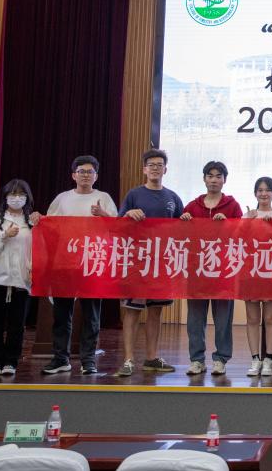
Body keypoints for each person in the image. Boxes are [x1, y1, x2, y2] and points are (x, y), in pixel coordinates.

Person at [42, 155, 118, 376]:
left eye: (90, 172)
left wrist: (102, 214)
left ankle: (88, 360)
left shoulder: (103, 197)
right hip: (64, 263)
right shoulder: (62, 198)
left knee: (91, 315)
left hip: (92, 263)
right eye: (81, 171)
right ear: (73, 175)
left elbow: (117, 227)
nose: (86, 175)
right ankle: (60, 359)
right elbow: (49, 226)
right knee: (61, 314)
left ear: (96, 176)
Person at [114, 149, 184, 378]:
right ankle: (128, 360)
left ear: (166, 169)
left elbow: (184, 229)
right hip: (137, 262)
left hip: (162, 263)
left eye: (159, 165)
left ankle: (152, 358)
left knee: (155, 312)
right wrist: (128, 214)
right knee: (132, 311)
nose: (155, 168)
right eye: (151, 164)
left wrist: (186, 220)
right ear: (144, 169)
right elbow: (118, 224)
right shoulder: (134, 195)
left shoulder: (173, 198)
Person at [180, 161, 242, 377]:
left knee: (223, 319)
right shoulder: (192, 206)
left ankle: (220, 359)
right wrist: (184, 221)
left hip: (223, 271)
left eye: (218, 176)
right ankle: (197, 360)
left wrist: (228, 223)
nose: (214, 180)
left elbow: (241, 234)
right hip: (197, 271)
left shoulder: (232, 206)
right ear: (204, 179)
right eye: (210, 176)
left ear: (224, 180)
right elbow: (182, 237)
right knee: (195, 320)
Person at [0, 179, 37, 378]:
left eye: (21, 194)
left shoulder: (31, 223)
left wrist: (34, 269)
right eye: (13, 194)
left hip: (22, 280)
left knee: (17, 325)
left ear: (27, 198)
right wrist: (4, 235)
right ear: (5, 197)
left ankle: (11, 362)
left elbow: (37, 250)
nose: (17, 198)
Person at [244, 176, 272, 378]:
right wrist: (247, 222)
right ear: (255, 193)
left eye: (267, 190)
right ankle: (255, 359)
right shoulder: (247, 215)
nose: (263, 193)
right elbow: (236, 241)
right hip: (251, 271)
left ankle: (268, 358)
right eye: (260, 190)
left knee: (270, 317)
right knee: (252, 318)